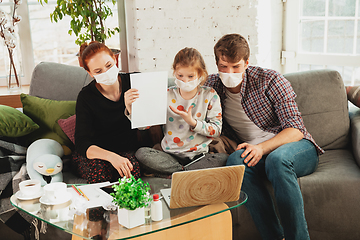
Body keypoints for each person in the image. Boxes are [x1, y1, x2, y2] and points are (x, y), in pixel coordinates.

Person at [204, 33, 324, 240]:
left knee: (278, 160)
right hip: (254, 153)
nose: (229, 72)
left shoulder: (270, 80)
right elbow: (180, 95)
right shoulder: (211, 86)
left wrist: (261, 148)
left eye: (236, 67)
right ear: (216, 65)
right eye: (224, 67)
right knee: (235, 162)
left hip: (294, 146)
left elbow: (295, 129)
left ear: (247, 63)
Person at [125, 47, 228, 176]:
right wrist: (130, 108)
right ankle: (185, 173)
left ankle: (178, 174)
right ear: (175, 73)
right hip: (169, 155)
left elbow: (216, 130)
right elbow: (144, 126)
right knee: (141, 153)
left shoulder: (210, 95)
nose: (185, 81)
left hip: (199, 156)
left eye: (191, 76)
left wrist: (193, 123)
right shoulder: (167, 94)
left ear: (200, 75)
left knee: (223, 159)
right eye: (180, 76)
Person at [73, 41, 141, 183]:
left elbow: (149, 126)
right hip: (96, 154)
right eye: (98, 71)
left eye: (109, 65)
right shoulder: (86, 97)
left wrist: (132, 111)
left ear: (115, 60)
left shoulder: (136, 82)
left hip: (126, 151)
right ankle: (100, 205)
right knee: (99, 170)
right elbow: (82, 143)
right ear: (90, 73)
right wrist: (111, 157)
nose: (106, 72)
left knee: (130, 169)